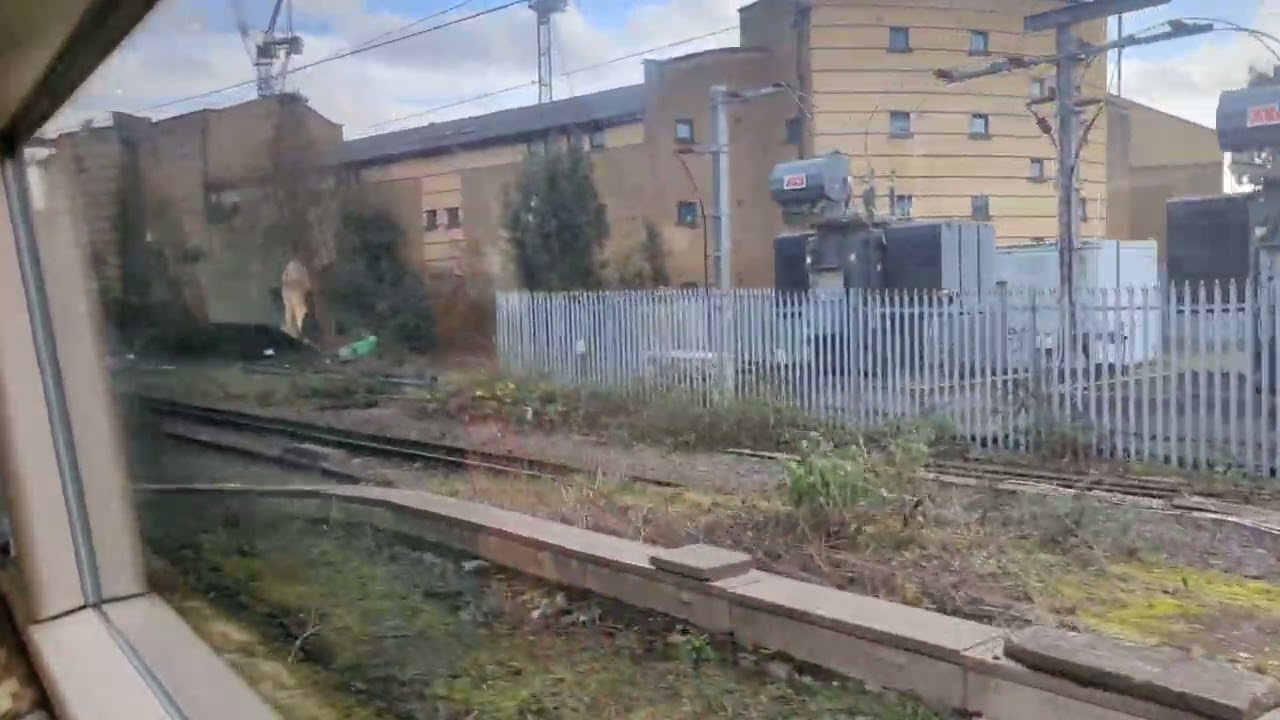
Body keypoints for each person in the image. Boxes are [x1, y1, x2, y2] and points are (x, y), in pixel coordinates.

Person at [281, 258, 311, 339]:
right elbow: (307, 284)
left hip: (292, 293)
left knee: (293, 311)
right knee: (299, 311)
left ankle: (293, 330)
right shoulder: (301, 267)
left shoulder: (290, 266)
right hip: (297, 294)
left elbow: (284, 279)